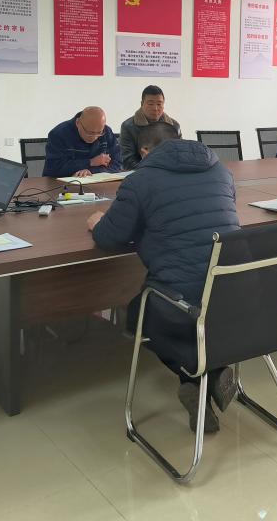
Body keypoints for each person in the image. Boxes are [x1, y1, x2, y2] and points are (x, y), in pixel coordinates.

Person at [87, 123, 239, 433]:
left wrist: (96, 222)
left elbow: (109, 237)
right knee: (193, 307)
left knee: (138, 315)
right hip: (233, 290)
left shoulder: (140, 180)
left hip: (181, 296)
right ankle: (213, 372)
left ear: (144, 151)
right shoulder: (221, 171)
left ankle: (198, 379)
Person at [43, 106, 122, 177]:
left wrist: (91, 171)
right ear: (78, 123)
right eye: (90, 133)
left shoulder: (107, 132)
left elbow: (117, 164)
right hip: (61, 185)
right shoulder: (59, 134)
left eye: (99, 133)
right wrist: (91, 162)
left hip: (97, 183)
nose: (94, 137)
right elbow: (53, 169)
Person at [119, 85, 181, 170]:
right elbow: (127, 162)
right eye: (150, 104)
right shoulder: (128, 126)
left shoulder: (174, 126)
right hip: (141, 173)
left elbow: (181, 156)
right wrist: (147, 162)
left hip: (169, 172)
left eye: (159, 104)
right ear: (142, 104)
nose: (155, 108)